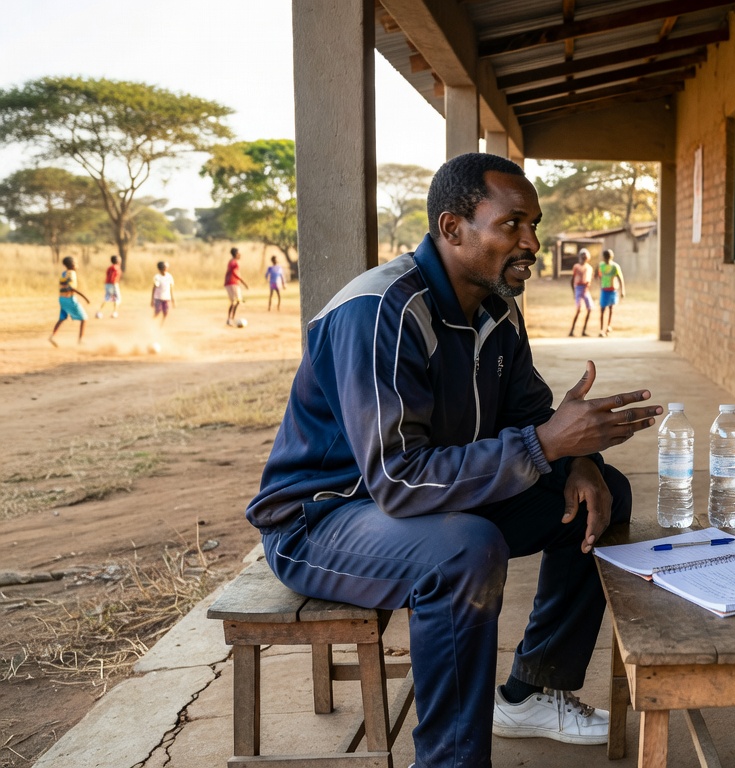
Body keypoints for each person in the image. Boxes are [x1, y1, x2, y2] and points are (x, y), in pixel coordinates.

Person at [247, 153, 662, 768]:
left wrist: (580, 459)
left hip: (425, 505)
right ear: (452, 228)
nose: (532, 243)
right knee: (465, 549)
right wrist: (547, 444)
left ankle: (530, 692)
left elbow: (529, 414)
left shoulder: (497, 308)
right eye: (512, 225)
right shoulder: (380, 311)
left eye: (535, 225)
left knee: (601, 494)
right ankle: (449, 760)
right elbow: (398, 480)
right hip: (323, 520)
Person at [49, 256, 90, 346]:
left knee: (62, 318)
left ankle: (53, 336)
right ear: (72, 265)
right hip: (69, 299)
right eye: (76, 263)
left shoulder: (64, 273)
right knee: (84, 318)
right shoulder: (72, 274)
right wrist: (85, 297)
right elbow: (71, 288)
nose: (77, 265)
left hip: (62, 299)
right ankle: (81, 340)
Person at [596, 248, 624, 336]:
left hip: (612, 290)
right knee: (602, 309)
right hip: (604, 290)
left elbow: (620, 278)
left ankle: (608, 326)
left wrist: (622, 290)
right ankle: (601, 329)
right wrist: (601, 282)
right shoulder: (601, 266)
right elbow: (597, 275)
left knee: (611, 309)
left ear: (611, 257)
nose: (607, 259)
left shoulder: (615, 267)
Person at [567, 248, 594, 336]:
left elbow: (589, 279)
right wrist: (574, 292)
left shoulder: (589, 268)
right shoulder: (576, 267)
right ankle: (572, 331)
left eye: (585, 256)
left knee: (590, 309)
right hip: (578, 288)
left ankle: (584, 331)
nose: (584, 258)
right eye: (583, 256)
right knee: (578, 310)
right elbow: (572, 280)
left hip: (586, 289)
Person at [224, 247, 250, 325]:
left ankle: (231, 318)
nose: (240, 255)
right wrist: (243, 282)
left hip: (233, 283)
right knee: (235, 301)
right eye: (239, 253)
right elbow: (234, 273)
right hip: (231, 283)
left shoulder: (232, 262)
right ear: (235, 254)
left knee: (237, 301)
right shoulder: (234, 263)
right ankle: (230, 319)